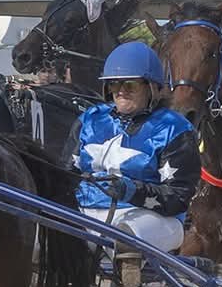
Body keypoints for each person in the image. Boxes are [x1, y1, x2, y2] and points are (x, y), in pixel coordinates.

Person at [72, 42, 199, 274]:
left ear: (152, 87)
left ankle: (128, 268)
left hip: (151, 219)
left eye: (129, 84)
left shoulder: (175, 129)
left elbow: (179, 198)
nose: (120, 91)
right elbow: (65, 171)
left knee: (125, 234)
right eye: (114, 84)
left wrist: (131, 190)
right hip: (85, 212)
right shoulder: (90, 120)